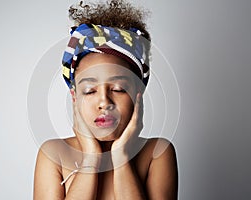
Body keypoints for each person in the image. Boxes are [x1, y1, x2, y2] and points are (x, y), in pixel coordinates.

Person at [34, 0, 178, 199]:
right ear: (75, 97)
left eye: (118, 89)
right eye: (90, 91)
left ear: (139, 94)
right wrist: (91, 159)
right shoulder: (55, 154)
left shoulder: (157, 153)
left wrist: (121, 157)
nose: (104, 102)